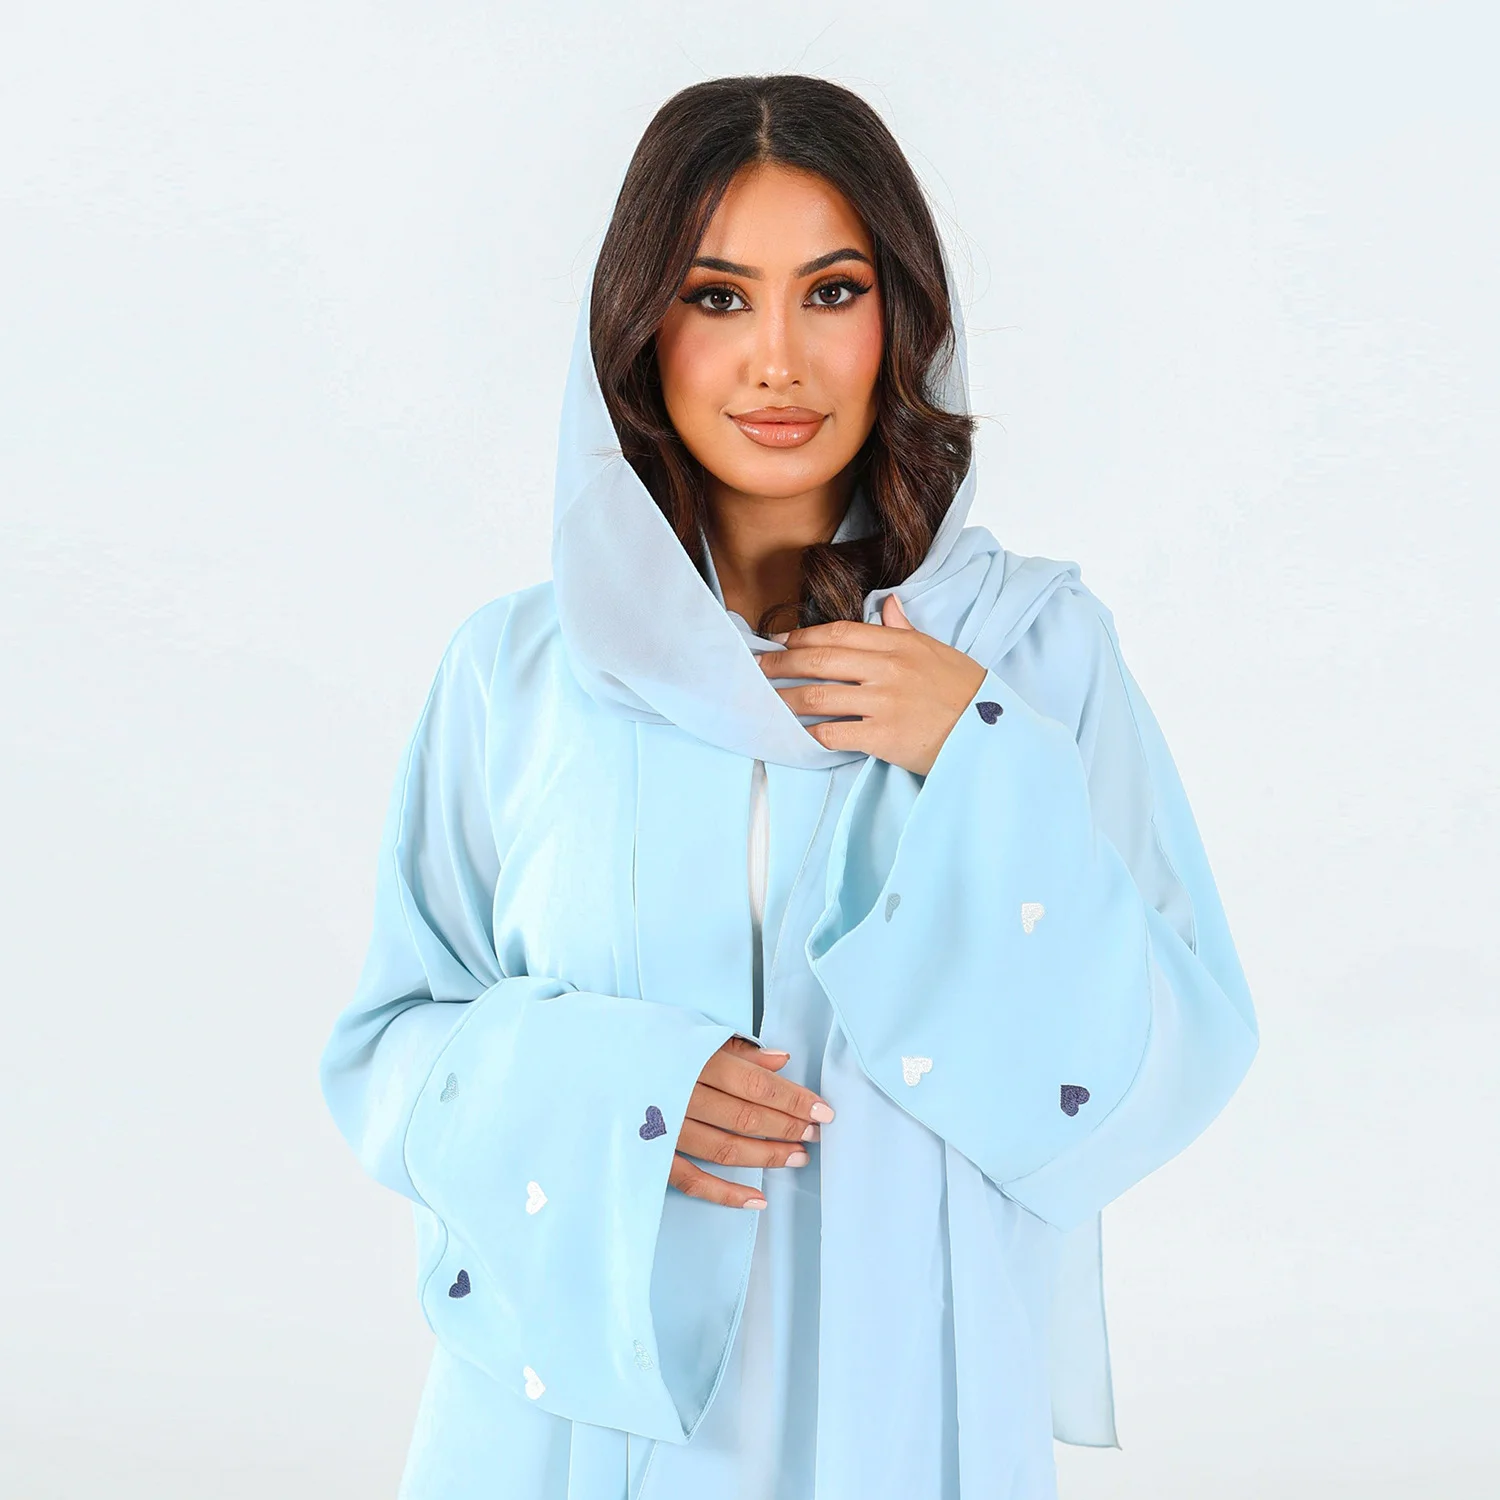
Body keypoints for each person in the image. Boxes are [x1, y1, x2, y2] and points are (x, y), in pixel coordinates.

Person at [318, 73, 1259, 1500]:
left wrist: (977, 753)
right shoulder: (519, 675)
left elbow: (1176, 1044)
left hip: (905, 1406)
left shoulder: (1032, 656)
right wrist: (622, 1093)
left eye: (831, 293)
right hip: (588, 1434)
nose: (778, 360)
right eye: (717, 297)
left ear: (901, 321)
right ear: (638, 328)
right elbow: (389, 1054)